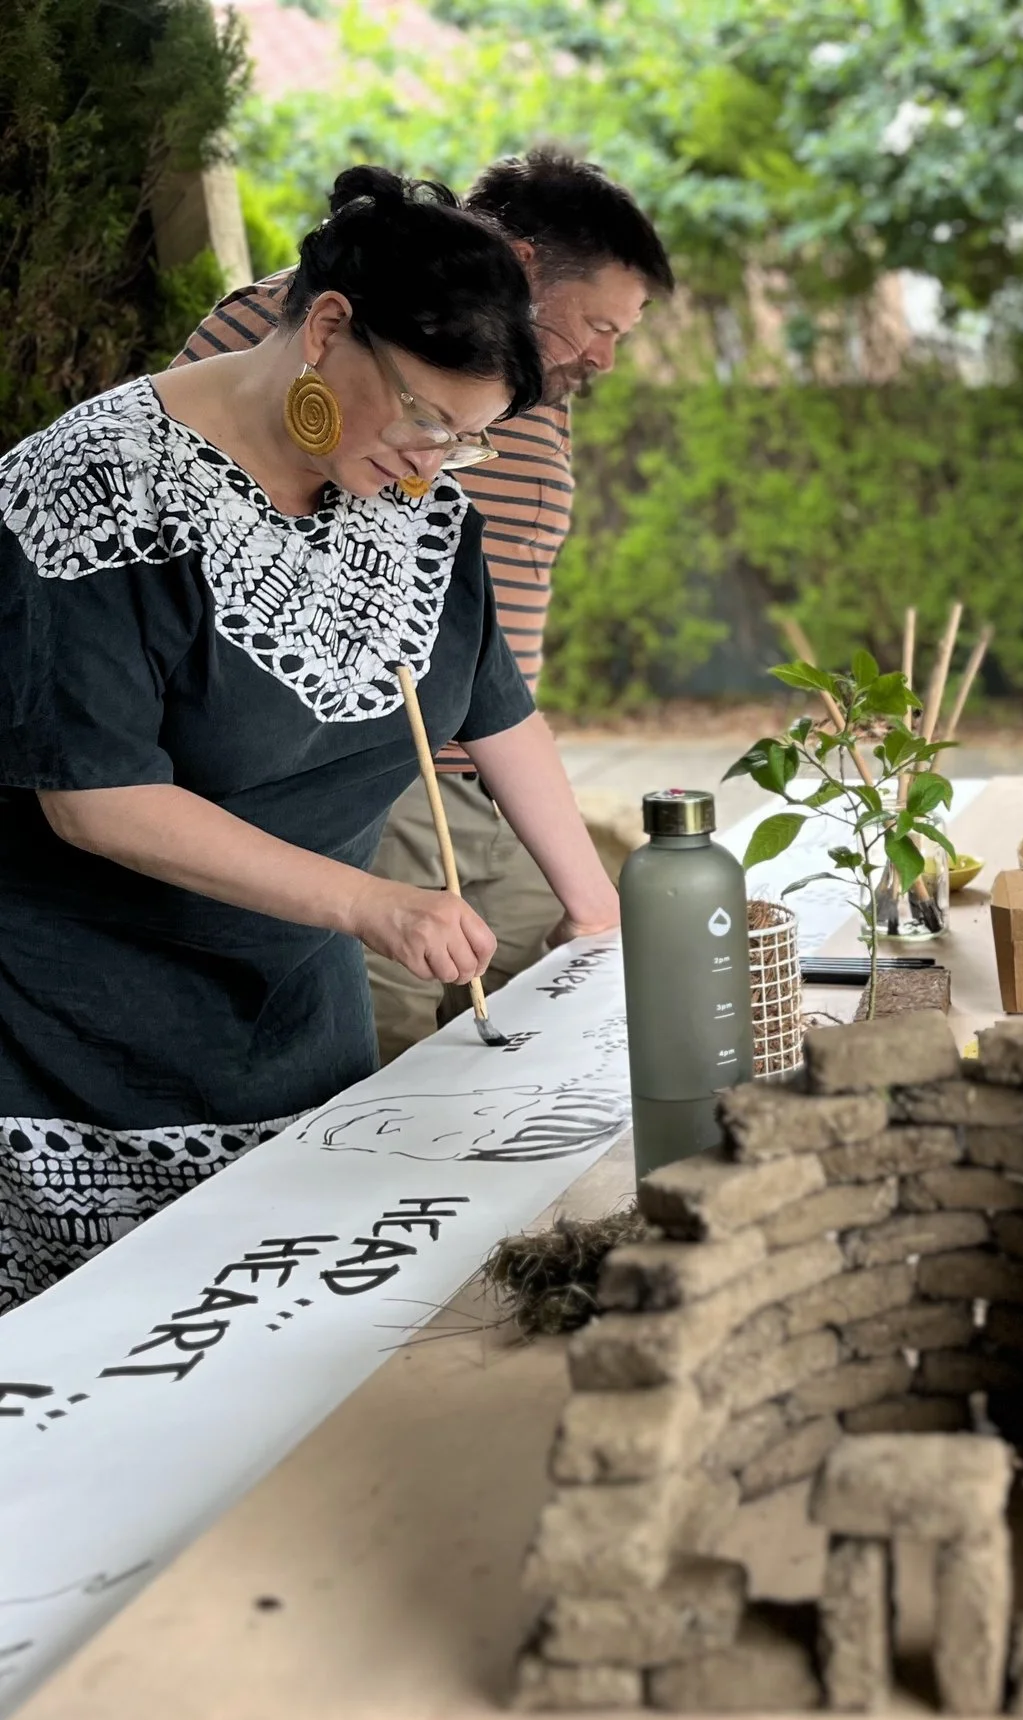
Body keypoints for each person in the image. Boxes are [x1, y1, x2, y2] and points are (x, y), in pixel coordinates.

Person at [0, 168, 620, 1309]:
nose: (434, 462)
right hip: (84, 1045)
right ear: (328, 328)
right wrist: (374, 904)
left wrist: (596, 913)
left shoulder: (415, 501)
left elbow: (494, 705)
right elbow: (96, 796)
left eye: (469, 442)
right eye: (427, 419)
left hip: (300, 1021)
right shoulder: (91, 488)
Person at [181, 147, 673, 1059]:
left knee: (565, 1016)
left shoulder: (529, 386)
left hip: (495, 765)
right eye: (599, 324)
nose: (606, 356)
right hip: (379, 771)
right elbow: (201, 509)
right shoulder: (315, 331)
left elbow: (482, 637)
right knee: (386, 1060)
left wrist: (584, 886)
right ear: (523, 264)